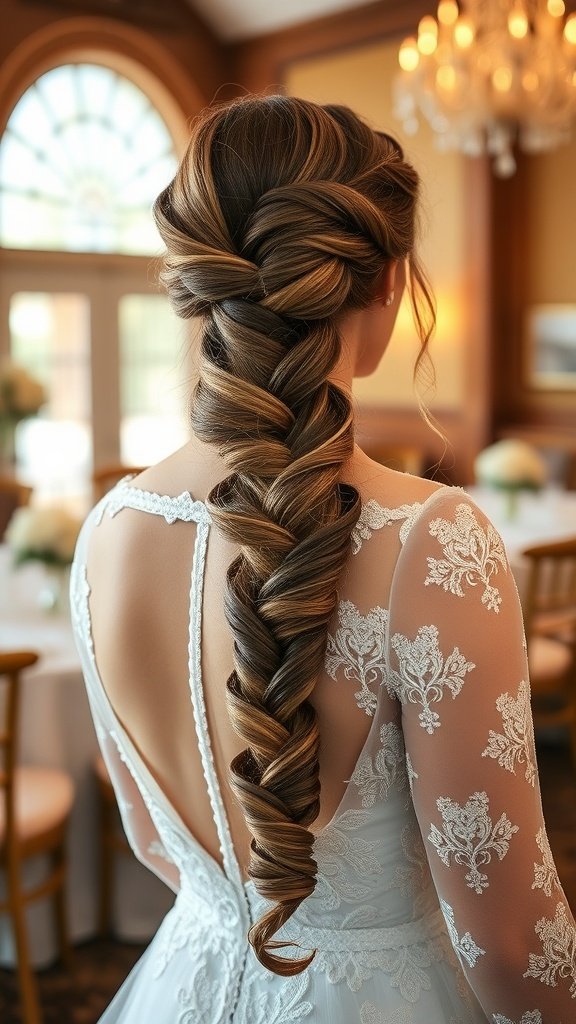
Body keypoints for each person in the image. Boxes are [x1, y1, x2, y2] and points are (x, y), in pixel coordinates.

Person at [71, 95, 575, 1023]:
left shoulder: (106, 530)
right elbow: (506, 939)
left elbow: (152, 838)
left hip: (183, 979)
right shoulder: (432, 542)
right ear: (386, 281)